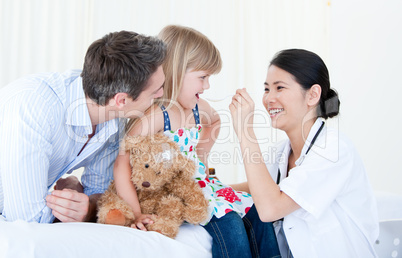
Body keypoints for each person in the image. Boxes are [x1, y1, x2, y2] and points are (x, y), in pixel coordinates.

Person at [112, 25, 280, 258]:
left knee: (258, 213)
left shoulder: (199, 108)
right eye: (202, 77)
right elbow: (122, 164)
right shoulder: (158, 115)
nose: (207, 85)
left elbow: (215, 122)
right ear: (177, 71)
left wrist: (201, 158)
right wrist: (136, 213)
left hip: (199, 185)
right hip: (171, 193)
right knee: (229, 222)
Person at [0, 30, 166, 224]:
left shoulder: (113, 117)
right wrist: (72, 208)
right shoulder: (35, 106)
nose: (162, 94)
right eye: (156, 91)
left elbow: (100, 194)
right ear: (121, 99)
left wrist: (85, 206)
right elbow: (27, 220)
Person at [229, 49, 379, 257]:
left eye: (279, 87)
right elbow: (257, 188)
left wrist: (245, 131)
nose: (269, 99)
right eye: (266, 89)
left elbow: (270, 207)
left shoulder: (334, 149)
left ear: (313, 95)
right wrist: (208, 188)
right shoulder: (281, 152)